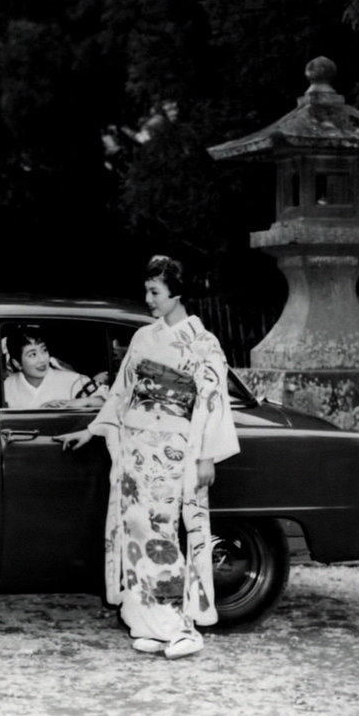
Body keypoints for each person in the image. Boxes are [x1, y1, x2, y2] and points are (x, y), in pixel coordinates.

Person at [56, 255, 239, 659]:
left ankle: (180, 626)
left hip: (173, 450)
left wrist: (207, 456)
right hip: (136, 448)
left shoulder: (203, 344)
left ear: (177, 292)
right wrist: (92, 430)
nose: (149, 299)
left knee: (162, 534)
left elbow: (212, 403)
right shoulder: (142, 338)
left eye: (155, 292)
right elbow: (121, 393)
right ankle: (148, 625)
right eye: (147, 291)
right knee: (136, 527)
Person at [3, 325, 106, 409]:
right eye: (33, 354)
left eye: (44, 350)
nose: (42, 359)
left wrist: (77, 402)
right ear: (17, 363)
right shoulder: (6, 387)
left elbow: (109, 400)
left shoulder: (72, 381)